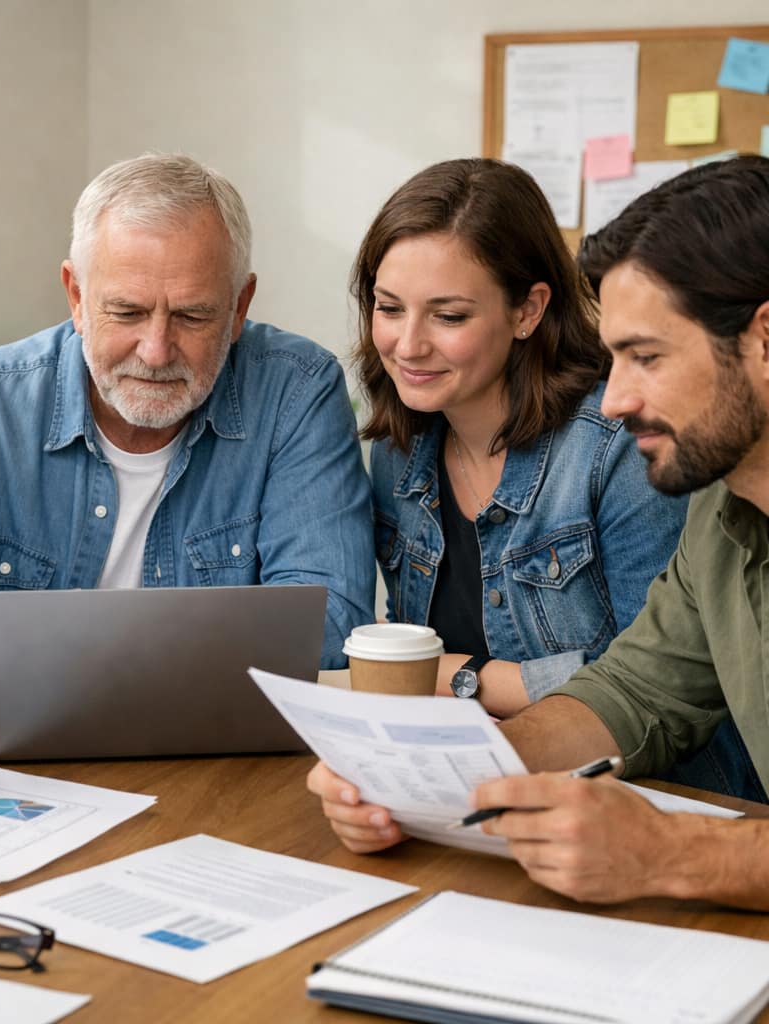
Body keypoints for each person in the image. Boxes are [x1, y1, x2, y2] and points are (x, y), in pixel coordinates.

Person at [310, 155, 769, 909]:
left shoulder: (635, 460)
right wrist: (431, 781)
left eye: (647, 357)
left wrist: (672, 852)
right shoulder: (724, 510)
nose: (614, 400)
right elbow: (632, 691)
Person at [0, 154, 374, 668]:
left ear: (238, 307)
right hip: (12, 745)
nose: (156, 351)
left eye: (192, 315)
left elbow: (331, 623)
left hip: (225, 739)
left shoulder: (295, 392)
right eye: (127, 312)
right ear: (75, 295)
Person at [353, 158, 685, 717]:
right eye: (389, 308)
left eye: (448, 316)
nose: (407, 345)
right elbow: (406, 656)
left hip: (633, 787)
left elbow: (653, 688)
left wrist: (459, 677)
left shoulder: (619, 447)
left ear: (528, 310)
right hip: (467, 768)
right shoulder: (398, 450)